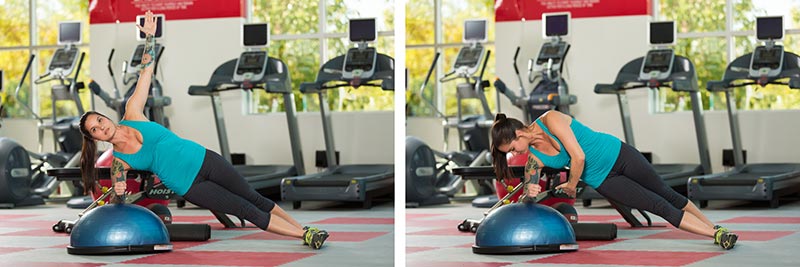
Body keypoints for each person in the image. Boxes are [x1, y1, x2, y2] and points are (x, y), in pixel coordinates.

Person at [78, 11, 329, 249]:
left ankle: (305, 230)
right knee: (245, 210)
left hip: (204, 159)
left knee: (254, 198)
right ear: (95, 138)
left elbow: (147, 71)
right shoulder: (119, 162)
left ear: (105, 117)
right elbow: (118, 195)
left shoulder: (133, 112)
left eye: (99, 120)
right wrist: (119, 192)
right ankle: (304, 234)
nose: (102, 127)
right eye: (95, 130)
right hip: (188, 185)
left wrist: (150, 37)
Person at [490, 111, 738, 250]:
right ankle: (716, 236)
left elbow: (578, 157)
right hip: (604, 179)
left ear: (519, 133)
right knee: (659, 206)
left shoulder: (551, 119)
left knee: (667, 193)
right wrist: (529, 192)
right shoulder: (533, 159)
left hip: (619, 154)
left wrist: (572, 185)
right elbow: (529, 192)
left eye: (512, 146)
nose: (515, 153)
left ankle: (715, 227)